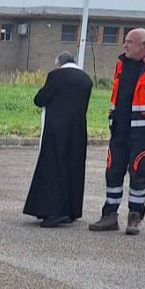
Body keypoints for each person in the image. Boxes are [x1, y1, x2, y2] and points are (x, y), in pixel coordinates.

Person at [89, 28, 145, 235]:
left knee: (138, 174)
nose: (125, 45)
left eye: (129, 42)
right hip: (119, 130)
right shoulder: (121, 64)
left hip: (143, 135)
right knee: (113, 172)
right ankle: (109, 215)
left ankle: (135, 216)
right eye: (125, 41)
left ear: (143, 45)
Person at [23, 52, 93, 227]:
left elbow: (41, 99)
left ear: (59, 63)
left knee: (52, 170)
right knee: (74, 169)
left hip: (56, 130)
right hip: (78, 131)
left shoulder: (57, 76)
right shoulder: (86, 79)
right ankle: (72, 210)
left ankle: (53, 211)